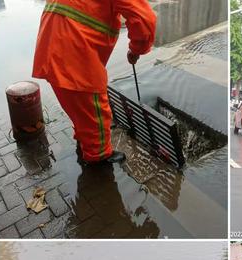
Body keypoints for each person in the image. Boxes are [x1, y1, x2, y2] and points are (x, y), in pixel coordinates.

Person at [32, 0, 157, 165]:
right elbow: (144, 17)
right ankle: (98, 157)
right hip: (75, 53)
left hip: (51, 49)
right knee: (95, 109)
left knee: (79, 106)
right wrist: (136, 49)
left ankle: (84, 139)